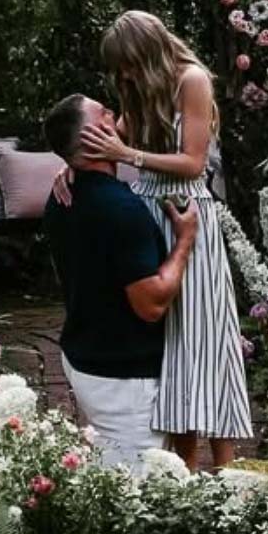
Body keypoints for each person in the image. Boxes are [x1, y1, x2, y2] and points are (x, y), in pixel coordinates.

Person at [53, 10, 252, 470]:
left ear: (145, 52)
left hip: (185, 215)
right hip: (146, 213)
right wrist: (71, 165)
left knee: (206, 340)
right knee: (170, 349)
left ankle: (226, 469)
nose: (122, 75)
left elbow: (194, 163)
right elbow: (105, 141)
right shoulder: (138, 86)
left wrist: (129, 155)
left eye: (126, 64)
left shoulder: (192, 80)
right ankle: (181, 467)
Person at [43, 92, 198, 471]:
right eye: (105, 113)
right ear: (96, 136)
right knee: (135, 492)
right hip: (121, 375)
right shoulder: (120, 208)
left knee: (108, 468)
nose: (116, 115)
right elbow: (151, 304)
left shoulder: (61, 196)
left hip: (86, 356)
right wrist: (184, 243)